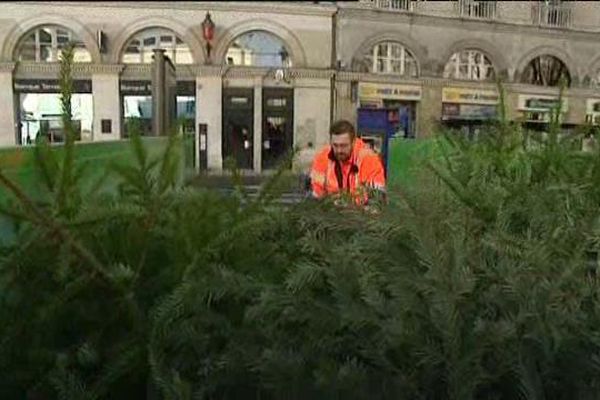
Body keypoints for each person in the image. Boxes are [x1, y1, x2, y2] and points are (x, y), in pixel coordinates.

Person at [309, 119, 386, 206]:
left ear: (353, 142)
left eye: (343, 145)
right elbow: (316, 196)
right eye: (335, 145)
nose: (339, 150)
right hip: (332, 211)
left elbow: (377, 200)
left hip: (361, 213)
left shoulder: (369, 160)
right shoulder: (322, 158)